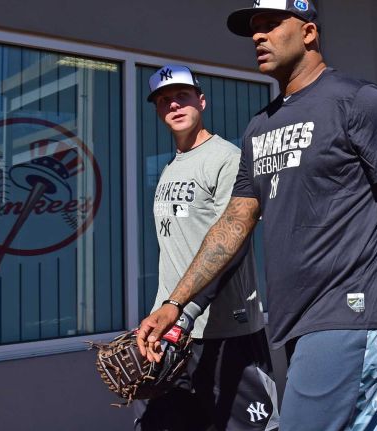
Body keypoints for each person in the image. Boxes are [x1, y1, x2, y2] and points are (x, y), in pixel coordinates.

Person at [137, 3, 377, 429]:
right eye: (254, 29)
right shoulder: (260, 127)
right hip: (299, 320)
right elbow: (233, 224)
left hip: (355, 308)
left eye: (270, 25)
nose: (257, 37)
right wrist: (175, 304)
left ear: (309, 33)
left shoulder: (356, 100)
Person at [133, 64, 279, 431]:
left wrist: (183, 312)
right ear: (157, 111)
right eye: (164, 100)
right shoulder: (170, 168)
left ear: (201, 100)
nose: (174, 105)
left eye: (182, 96)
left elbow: (234, 246)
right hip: (172, 334)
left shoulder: (227, 160)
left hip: (228, 331)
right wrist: (163, 316)